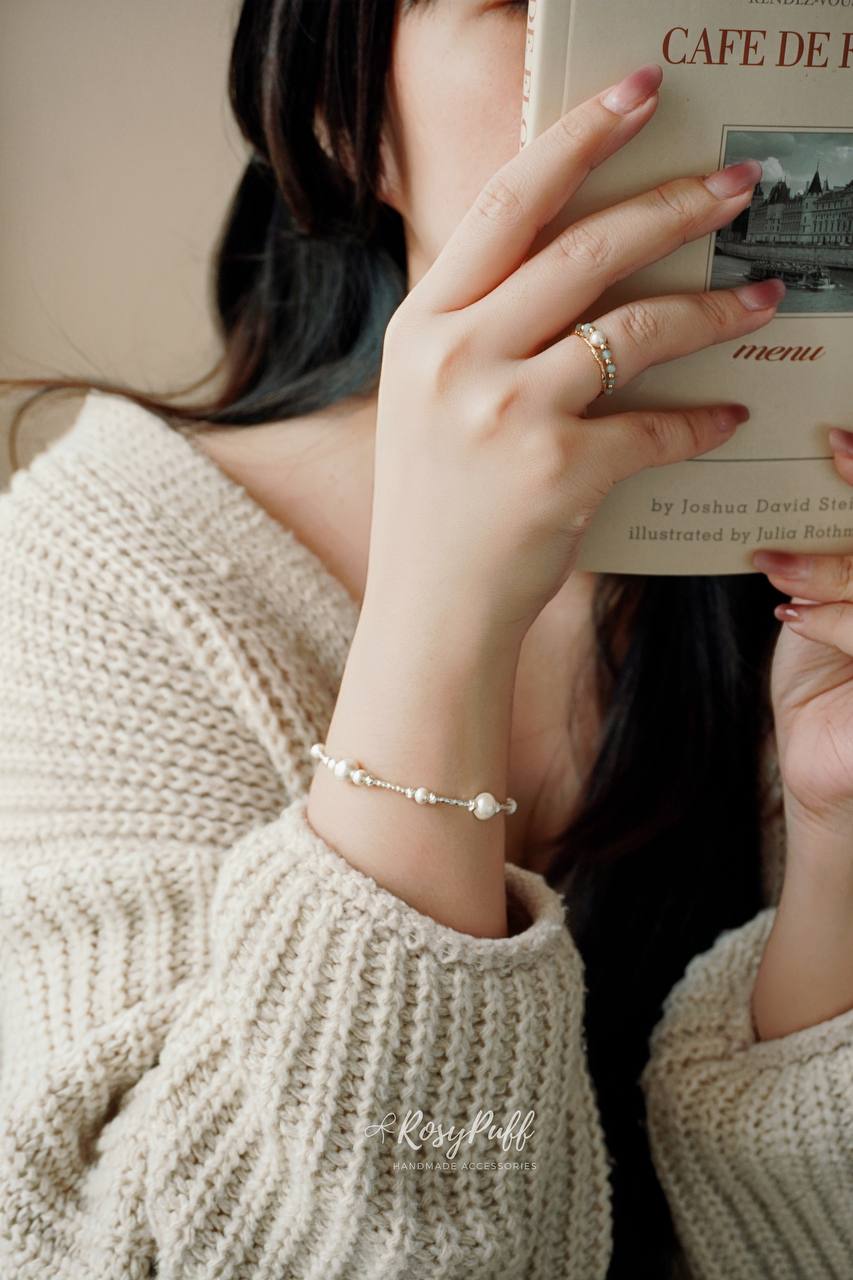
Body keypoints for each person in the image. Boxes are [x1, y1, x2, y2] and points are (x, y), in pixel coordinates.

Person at [1, 3, 852, 1277]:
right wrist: (437, 622)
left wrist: (837, 836)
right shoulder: (110, 564)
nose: (652, 47)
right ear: (348, 124)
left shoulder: (812, 541)